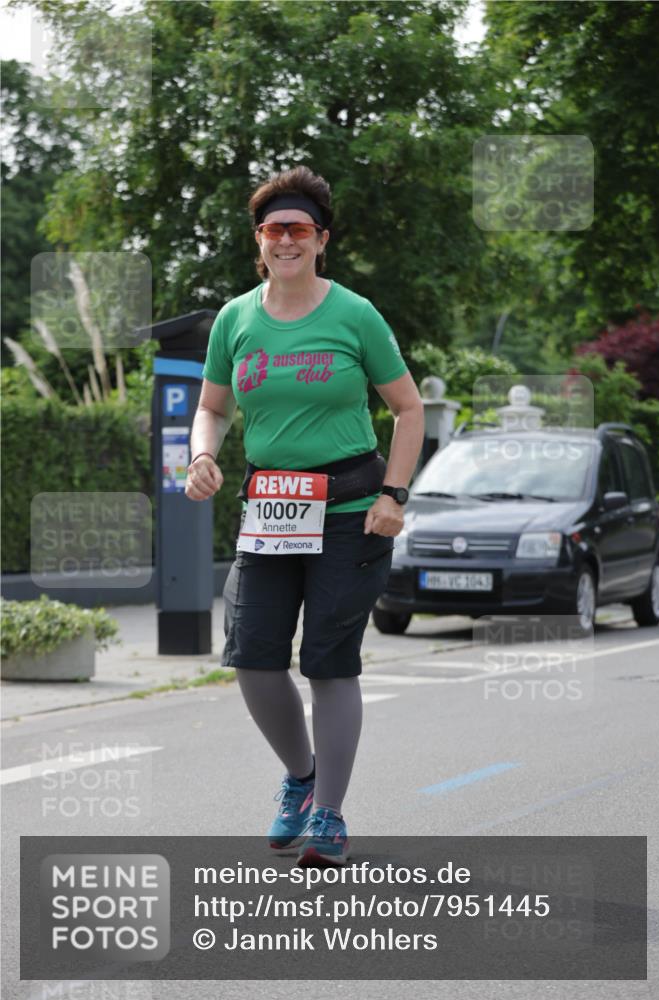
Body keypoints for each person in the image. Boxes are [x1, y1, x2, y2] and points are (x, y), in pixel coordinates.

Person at [185, 165, 424, 866]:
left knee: (328, 661)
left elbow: (407, 409)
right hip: (270, 511)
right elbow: (212, 407)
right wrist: (201, 455)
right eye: (271, 230)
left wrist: (394, 495)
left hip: (351, 510)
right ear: (258, 242)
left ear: (320, 240)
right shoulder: (235, 318)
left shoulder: (353, 315)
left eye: (297, 230)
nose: (284, 241)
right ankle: (301, 775)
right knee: (252, 657)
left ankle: (329, 817)